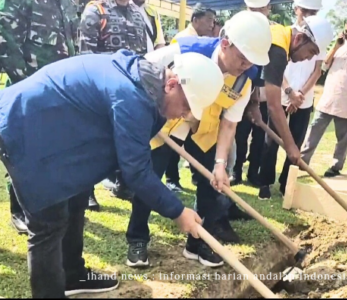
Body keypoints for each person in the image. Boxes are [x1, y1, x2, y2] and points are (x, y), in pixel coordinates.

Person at [0, 49, 225, 298]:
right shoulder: (132, 96)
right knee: (48, 224)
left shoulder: (146, 83)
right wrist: (177, 211)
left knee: (76, 194)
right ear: (171, 84)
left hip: (54, 130)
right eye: (186, 106)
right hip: (24, 127)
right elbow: (136, 171)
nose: (184, 115)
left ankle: (72, 274)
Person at [126, 10, 272, 268]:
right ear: (226, 44)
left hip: (205, 129)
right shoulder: (184, 50)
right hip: (167, 123)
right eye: (243, 58)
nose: (246, 66)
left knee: (211, 184)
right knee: (149, 179)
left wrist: (220, 164)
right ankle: (137, 238)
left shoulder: (244, 80)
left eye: (252, 62)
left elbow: (229, 124)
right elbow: (140, 71)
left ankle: (197, 243)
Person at [0, 0, 86, 232]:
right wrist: (26, 87)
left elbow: (74, 47)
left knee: (53, 152)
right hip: (28, 94)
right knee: (24, 153)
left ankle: (51, 204)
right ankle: (19, 209)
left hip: (61, 94)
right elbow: (6, 44)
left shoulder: (68, 4)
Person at [254, 15, 334, 200]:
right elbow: (274, 106)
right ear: (299, 39)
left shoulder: (281, 40)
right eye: (310, 51)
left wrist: (252, 104)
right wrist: (291, 146)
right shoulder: (279, 48)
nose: (308, 58)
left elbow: (255, 75)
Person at [79, 0, 150, 203]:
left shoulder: (137, 12)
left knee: (123, 138)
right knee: (92, 142)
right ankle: (88, 191)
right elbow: (86, 55)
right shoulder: (96, 10)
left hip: (128, 93)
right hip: (100, 91)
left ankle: (123, 183)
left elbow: (141, 56)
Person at [300, 16, 347, 179]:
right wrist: (335, 47)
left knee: (343, 137)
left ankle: (335, 166)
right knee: (314, 130)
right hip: (329, 97)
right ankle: (302, 162)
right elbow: (324, 66)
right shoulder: (338, 45)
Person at [164, 2, 217, 193]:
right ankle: (171, 179)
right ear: (195, 19)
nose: (212, 25)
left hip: (194, 102)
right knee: (173, 144)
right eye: (208, 20)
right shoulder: (184, 40)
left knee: (190, 145)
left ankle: (196, 179)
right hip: (180, 100)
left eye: (213, 21)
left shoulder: (204, 40)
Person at [232, 0, 273, 186]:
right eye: (252, 9)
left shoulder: (274, 34)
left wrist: (257, 99)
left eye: (260, 9)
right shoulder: (239, 28)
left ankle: (253, 173)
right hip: (240, 94)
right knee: (239, 136)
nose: (256, 13)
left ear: (268, 10)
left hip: (264, 96)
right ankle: (236, 171)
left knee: (259, 138)